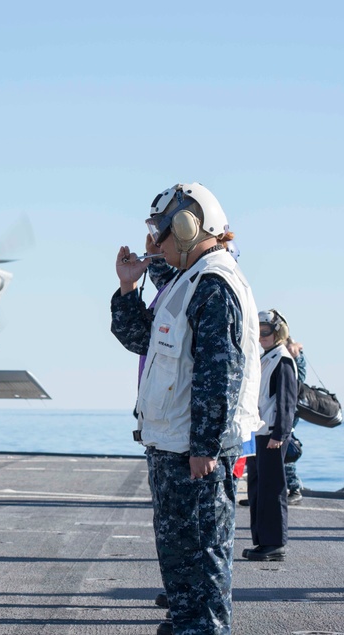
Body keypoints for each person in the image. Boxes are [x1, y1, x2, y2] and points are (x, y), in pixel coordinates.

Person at [111, 182, 262, 635]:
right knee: (180, 561)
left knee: (203, 562)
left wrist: (204, 447)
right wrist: (128, 286)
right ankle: (185, 624)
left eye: (161, 235)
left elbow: (220, 373)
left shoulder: (214, 285)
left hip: (193, 454)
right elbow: (141, 339)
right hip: (172, 446)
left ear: (187, 227)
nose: (155, 245)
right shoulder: (186, 280)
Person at [242, 309, 298, 562]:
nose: (262, 336)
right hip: (259, 433)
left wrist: (280, 434)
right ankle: (262, 541)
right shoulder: (267, 357)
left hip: (272, 435)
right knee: (257, 488)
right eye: (259, 331)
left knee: (272, 489)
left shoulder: (282, 360)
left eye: (266, 331)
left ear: (278, 332)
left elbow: (287, 401)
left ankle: (274, 544)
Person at [283, 336, 307, 504]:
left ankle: (295, 488)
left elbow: (300, 378)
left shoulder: (294, 359)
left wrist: (296, 352)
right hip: (276, 408)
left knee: (286, 447)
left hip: (288, 408)